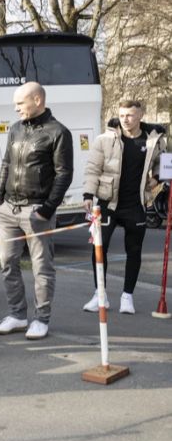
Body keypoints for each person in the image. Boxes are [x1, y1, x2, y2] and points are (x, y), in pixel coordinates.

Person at [0, 81, 73, 339]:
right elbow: (6, 163)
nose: (16, 109)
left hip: (37, 210)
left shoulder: (58, 132)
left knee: (42, 267)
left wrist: (48, 209)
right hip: (8, 210)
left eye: (20, 103)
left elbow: (64, 174)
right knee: (7, 262)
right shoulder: (15, 129)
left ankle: (41, 319)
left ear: (37, 100)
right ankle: (16, 315)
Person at [82, 101, 165, 314]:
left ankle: (127, 296)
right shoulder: (105, 139)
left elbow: (162, 163)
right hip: (107, 203)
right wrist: (88, 195)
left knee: (134, 250)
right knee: (99, 248)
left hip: (135, 204)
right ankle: (99, 294)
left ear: (140, 115)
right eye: (121, 115)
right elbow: (93, 168)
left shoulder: (154, 140)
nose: (125, 119)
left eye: (130, 115)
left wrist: (156, 178)